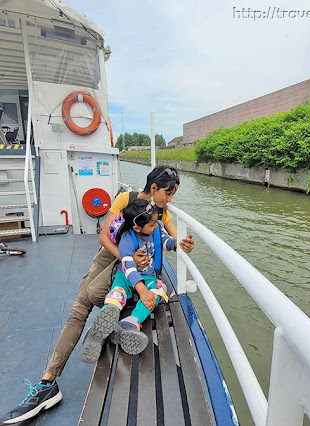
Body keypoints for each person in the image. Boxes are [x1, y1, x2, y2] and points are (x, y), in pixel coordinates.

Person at [0, 166, 195, 424]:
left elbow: (171, 237)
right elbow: (104, 237)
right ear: (154, 188)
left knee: (86, 300)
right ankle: (51, 379)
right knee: (83, 302)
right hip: (114, 255)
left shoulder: (160, 213)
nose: (169, 200)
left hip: (131, 265)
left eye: (173, 195)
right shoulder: (126, 199)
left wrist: (183, 243)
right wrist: (129, 259)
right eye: (168, 193)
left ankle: (51, 378)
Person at [81, 199, 176, 362]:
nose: (156, 225)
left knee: (159, 289)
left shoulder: (156, 229)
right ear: (137, 228)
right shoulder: (127, 239)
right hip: (126, 276)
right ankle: (111, 313)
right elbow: (128, 266)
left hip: (148, 277)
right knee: (118, 291)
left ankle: (131, 322)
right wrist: (142, 290)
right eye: (152, 224)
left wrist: (179, 244)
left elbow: (167, 241)